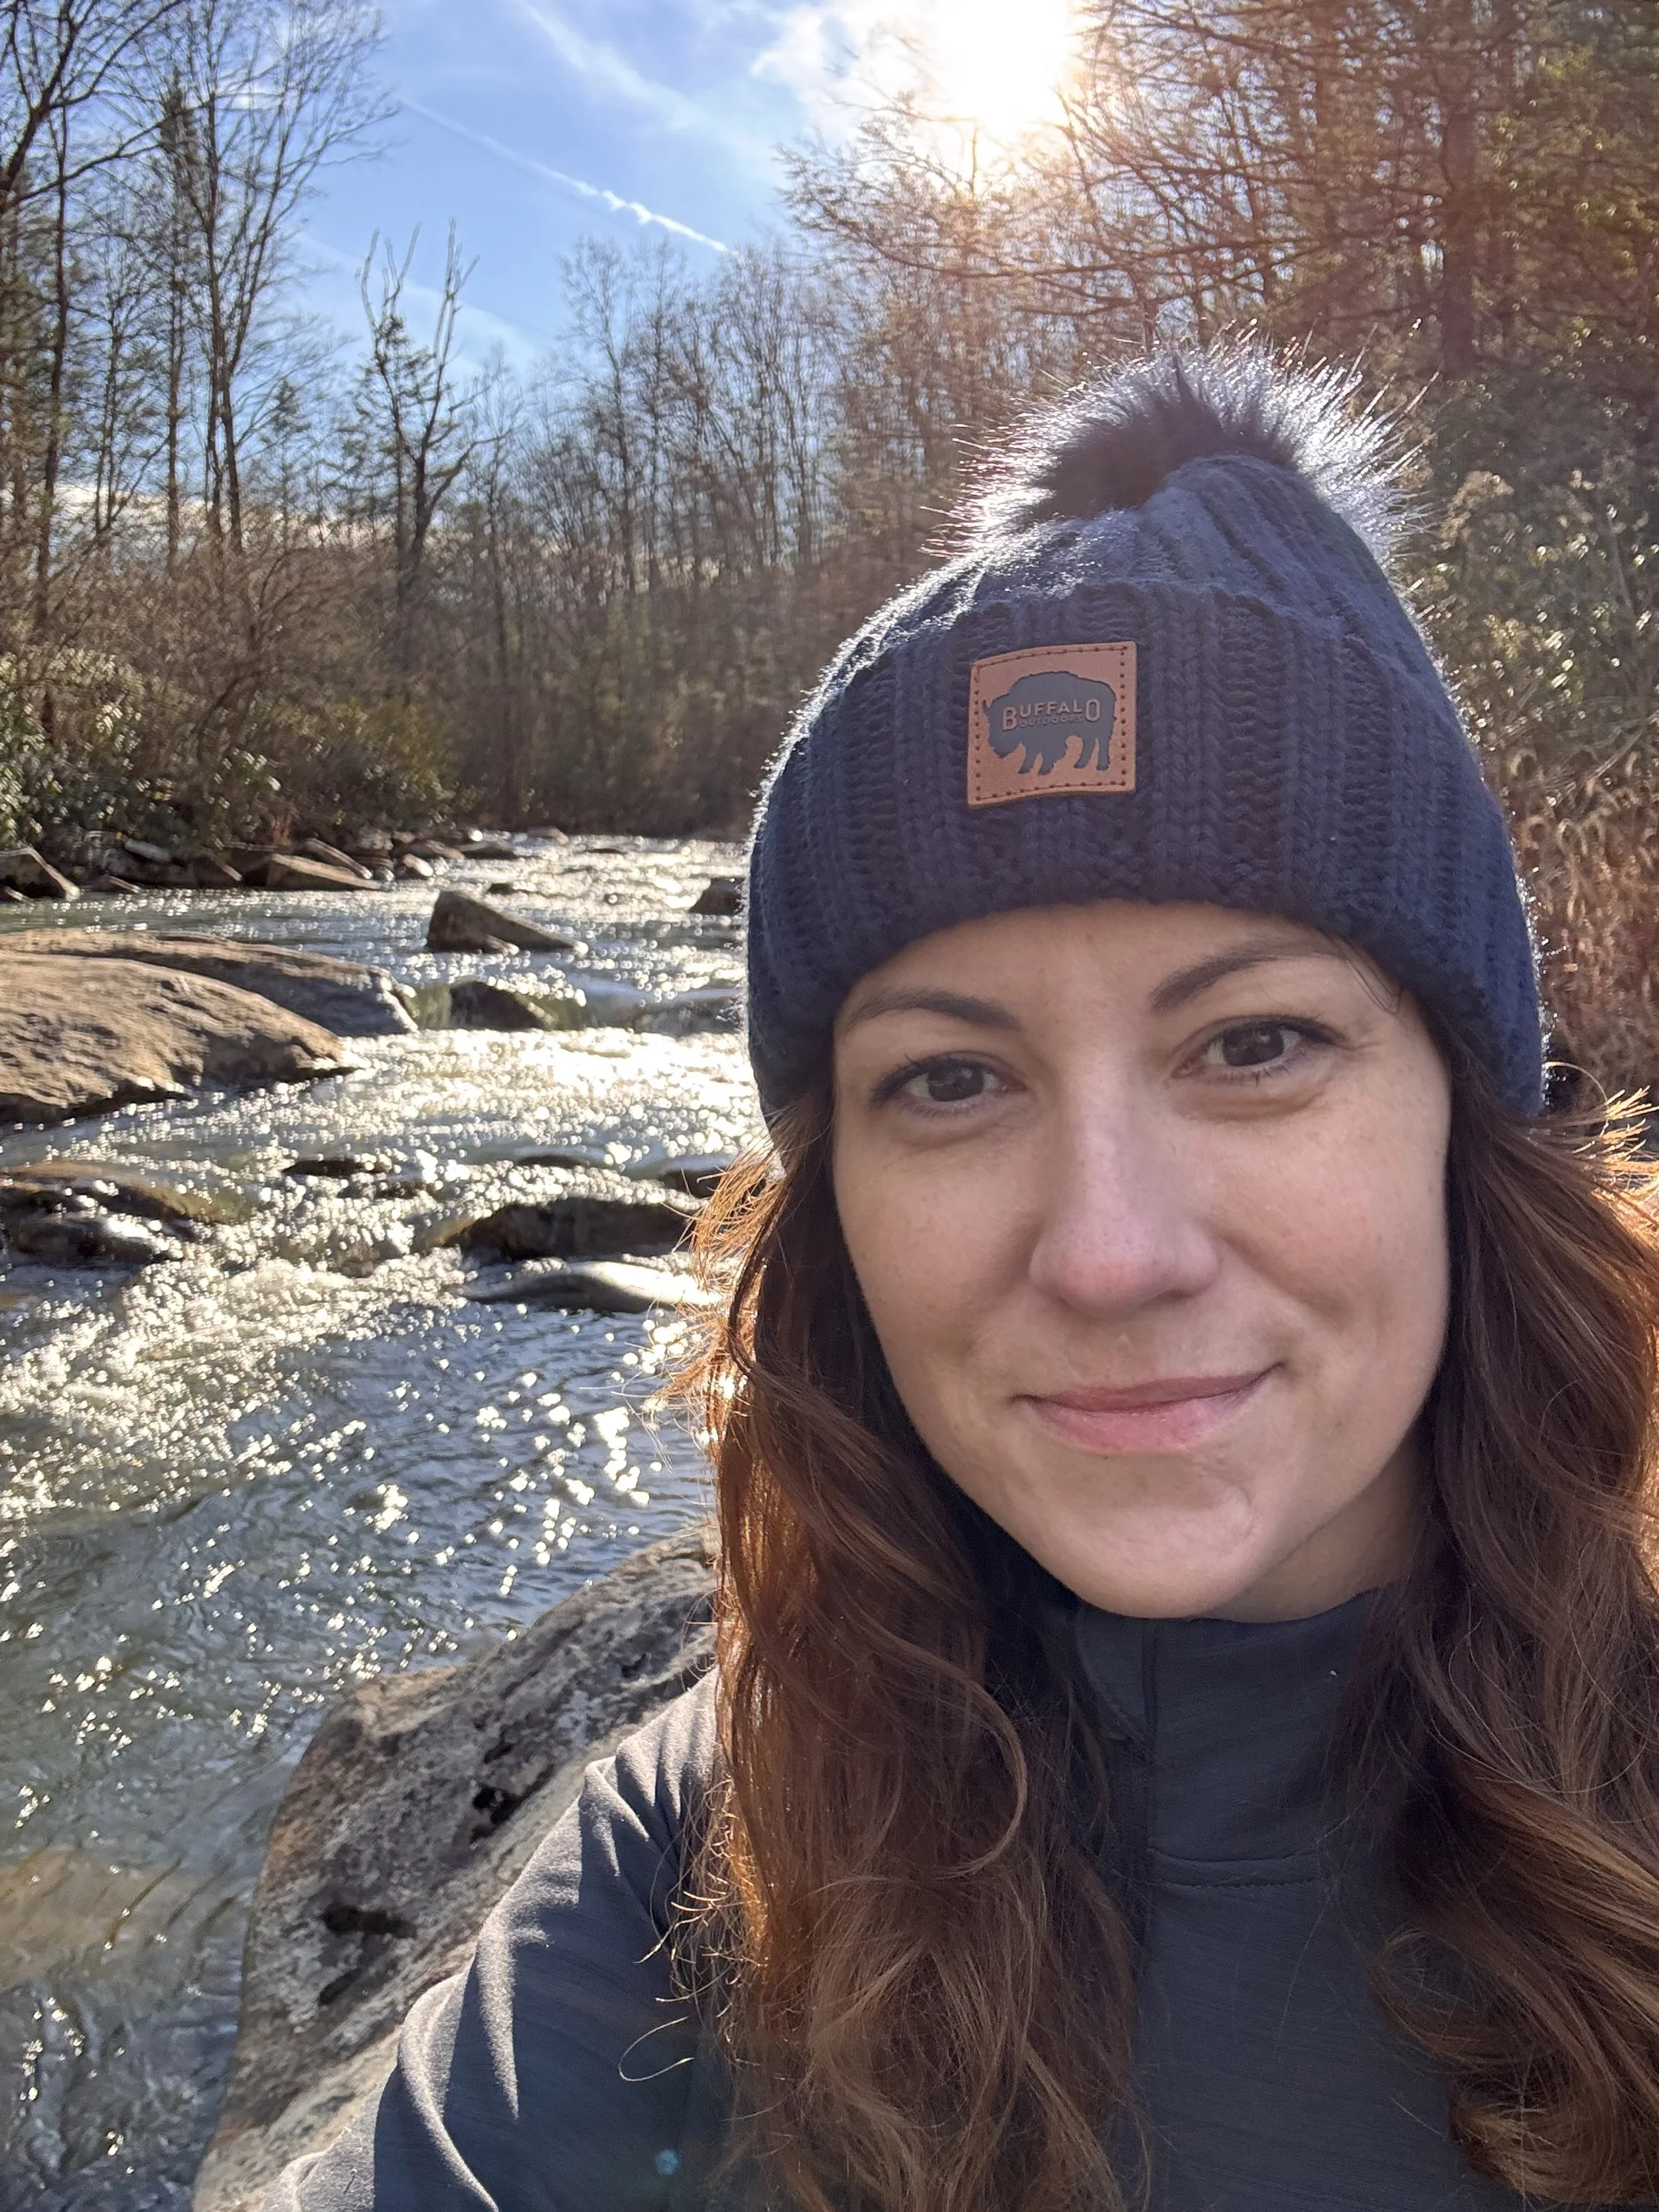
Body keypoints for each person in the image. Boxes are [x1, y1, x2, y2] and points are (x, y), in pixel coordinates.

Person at [269, 348, 1659, 2212]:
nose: (1105, 1248)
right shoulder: (716, 1847)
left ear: (1464, 1115)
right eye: (949, 1078)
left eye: (1251, 1044)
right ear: (831, 1199)